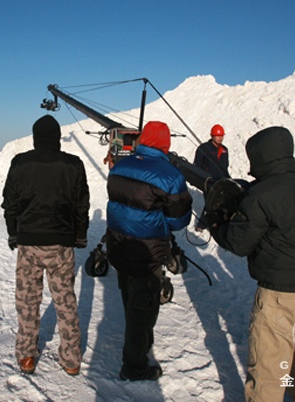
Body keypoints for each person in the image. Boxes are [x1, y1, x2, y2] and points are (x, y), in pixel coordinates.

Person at [209, 126, 295, 401]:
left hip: (278, 302)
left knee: (266, 381)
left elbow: (238, 243)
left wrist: (217, 223)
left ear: (258, 157)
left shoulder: (260, 195)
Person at [1, 115, 90, 376]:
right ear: (58, 138)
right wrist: (80, 236)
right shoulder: (73, 164)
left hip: (29, 244)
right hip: (61, 245)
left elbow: (10, 204)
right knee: (65, 302)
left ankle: (27, 355)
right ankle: (71, 359)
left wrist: (13, 234)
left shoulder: (20, 163)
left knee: (28, 301)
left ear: (35, 137)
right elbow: (81, 205)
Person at [106, 121, 192, 381]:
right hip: (147, 253)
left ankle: (135, 349)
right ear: (166, 143)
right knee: (142, 314)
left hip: (119, 247)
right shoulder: (170, 176)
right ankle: (134, 367)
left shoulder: (120, 166)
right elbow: (179, 220)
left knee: (130, 300)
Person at [193, 124, 231, 231]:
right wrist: (201, 178)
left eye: (221, 136)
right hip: (208, 181)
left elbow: (225, 166)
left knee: (222, 202)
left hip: (221, 180)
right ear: (212, 136)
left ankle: (217, 222)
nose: (220, 138)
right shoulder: (204, 148)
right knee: (211, 202)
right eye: (217, 136)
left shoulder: (224, 150)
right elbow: (197, 165)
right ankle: (202, 224)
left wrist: (228, 178)